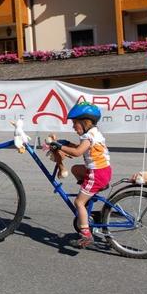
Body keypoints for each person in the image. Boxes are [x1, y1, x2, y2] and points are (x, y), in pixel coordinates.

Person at [49, 102, 112, 248]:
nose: (73, 126)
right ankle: (88, 197)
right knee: (76, 169)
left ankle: (86, 235)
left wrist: (59, 146)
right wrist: (66, 144)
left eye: (74, 123)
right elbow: (79, 148)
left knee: (78, 202)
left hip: (97, 174)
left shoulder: (88, 136)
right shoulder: (93, 133)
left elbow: (77, 152)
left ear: (85, 122)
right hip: (102, 171)